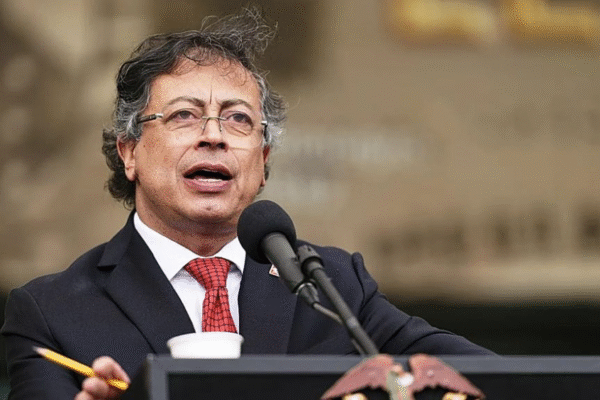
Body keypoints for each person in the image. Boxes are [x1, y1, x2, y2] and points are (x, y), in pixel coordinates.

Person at [1, 7, 494, 400]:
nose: (214, 136)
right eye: (184, 115)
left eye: (238, 119)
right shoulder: (50, 313)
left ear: (262, 160)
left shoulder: (334, 286)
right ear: (129, 152)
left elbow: (496, 379)